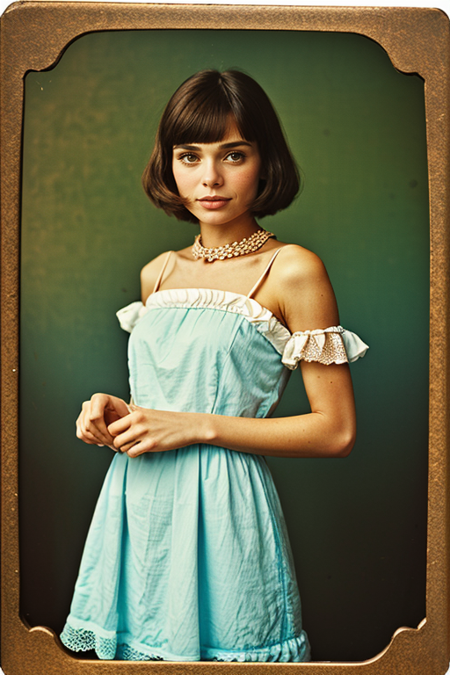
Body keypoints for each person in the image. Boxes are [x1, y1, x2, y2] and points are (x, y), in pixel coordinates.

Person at [60, 69, 368, 663]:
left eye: (233, 154)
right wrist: (115, 415)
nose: (210, 177)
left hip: (225, 505)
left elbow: (336, 430)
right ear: (168, 165)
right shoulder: (157, 273)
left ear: (264, 161)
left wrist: (197, 425)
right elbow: (163, 404)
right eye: (189, 155)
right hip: (136, 505)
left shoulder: (293, 270)